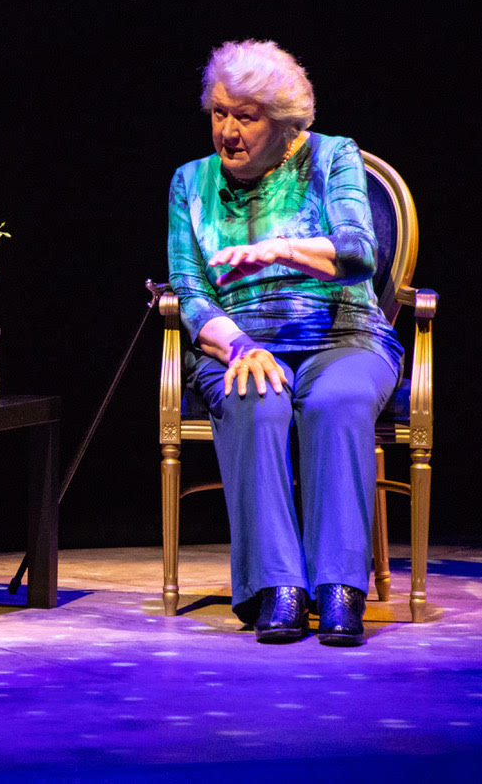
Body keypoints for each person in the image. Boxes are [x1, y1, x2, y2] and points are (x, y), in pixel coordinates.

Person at [166, 39, 402, 646]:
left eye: (246, 117)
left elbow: (357, 253)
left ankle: (340, 588)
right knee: (257, 398)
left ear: (286, 125)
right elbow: (190, 292)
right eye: (219, 113)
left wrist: (280, 250)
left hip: (345, 336)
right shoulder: (190, 183)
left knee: (336, 403)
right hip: (242, 343)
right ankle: (278, 588)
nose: (228, 131)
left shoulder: (332, 158)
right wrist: (240, 345)